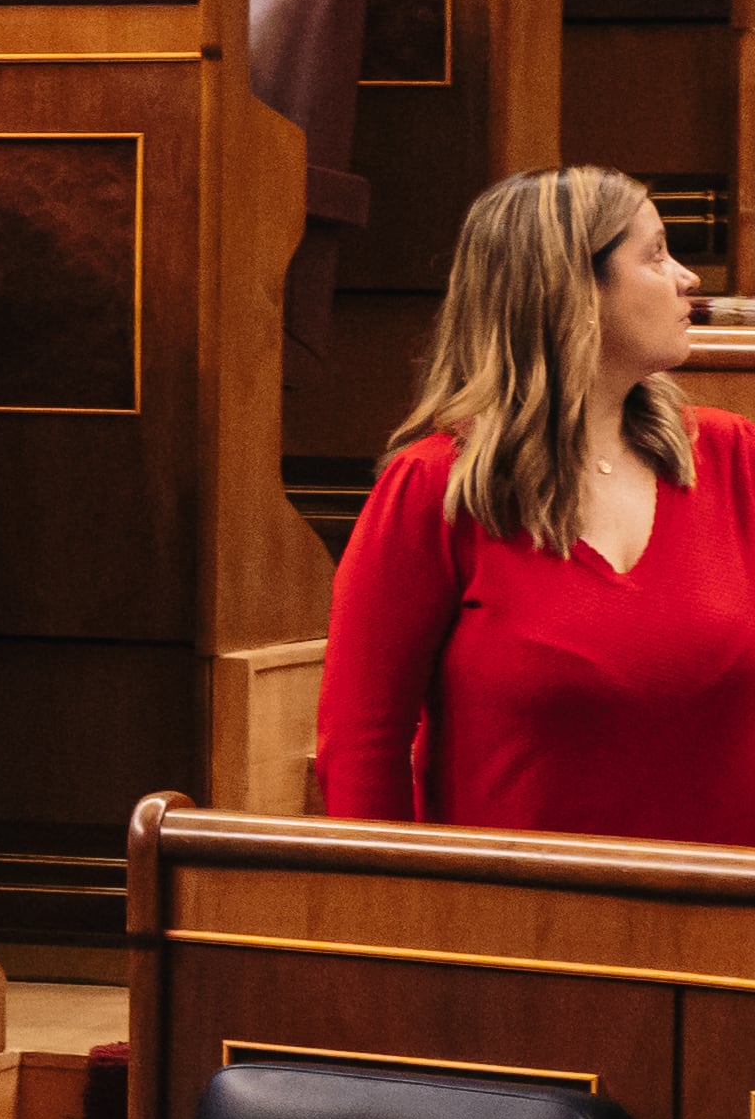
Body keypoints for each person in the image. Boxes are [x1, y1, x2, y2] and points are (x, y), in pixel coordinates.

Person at [318, 166, 755, 840]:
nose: (687, 278)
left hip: (721, 917)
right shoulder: (433, 488)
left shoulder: (732, 458)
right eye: (655, 253)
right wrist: (395, 920)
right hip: (521, 925)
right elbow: (362, 743)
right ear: (574, 291)